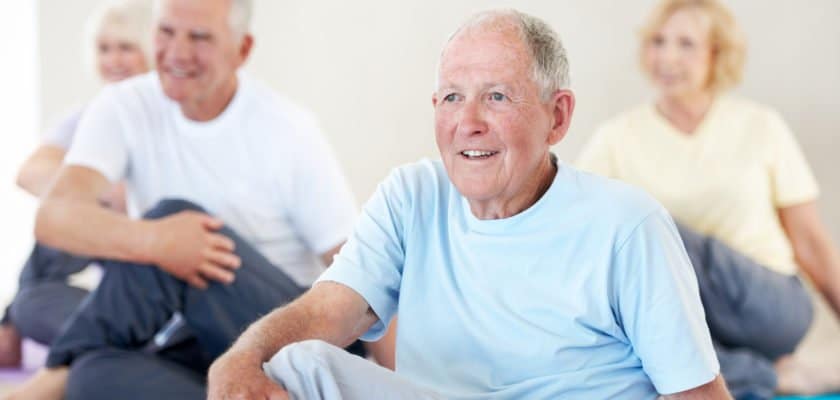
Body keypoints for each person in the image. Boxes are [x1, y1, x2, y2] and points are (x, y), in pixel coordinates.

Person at [207, 9, 732, 400]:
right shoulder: (412, 196)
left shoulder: (627, 224)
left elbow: (699, 394)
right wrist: (241, 358)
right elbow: (329, 311)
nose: (469, 121)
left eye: (498, 96)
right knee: (294, 366)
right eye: (453, 97)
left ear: (558, 117)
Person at [5, 0, 379, 399]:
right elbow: (54, 216)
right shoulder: (124, 105)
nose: (178, 52)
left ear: (242, 50)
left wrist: (404, 378)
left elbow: (366, 276)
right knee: (91, 378)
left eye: (199, 37)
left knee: (174, 217)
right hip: (199, 344)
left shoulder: (289, 131)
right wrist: (158, 241)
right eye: (166, 32)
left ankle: (44, 385)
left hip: (289, 343)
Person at [576, 0, 840, 398]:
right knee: (634, 355)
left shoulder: (760, 126)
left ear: (717, 55)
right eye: (658, 42)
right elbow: (579, 227)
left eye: (686, 44)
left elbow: (809, 241)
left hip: (769, 306)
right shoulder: (616, 137)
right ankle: (774, 378)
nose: (667, 57)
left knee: (649, 228)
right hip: (693, 318)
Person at [0, 0, 152, 368]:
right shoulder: (92, 114)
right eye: (104, 48)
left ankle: (12, 330)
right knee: (62, 216)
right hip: (110, 243)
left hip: (154, 255)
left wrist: (100, 193)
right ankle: (16, 326)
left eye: (126, 47)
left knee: (71, 205)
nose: (114, 59)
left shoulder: (163, 113)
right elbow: (30, 173)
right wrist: (98, 192)